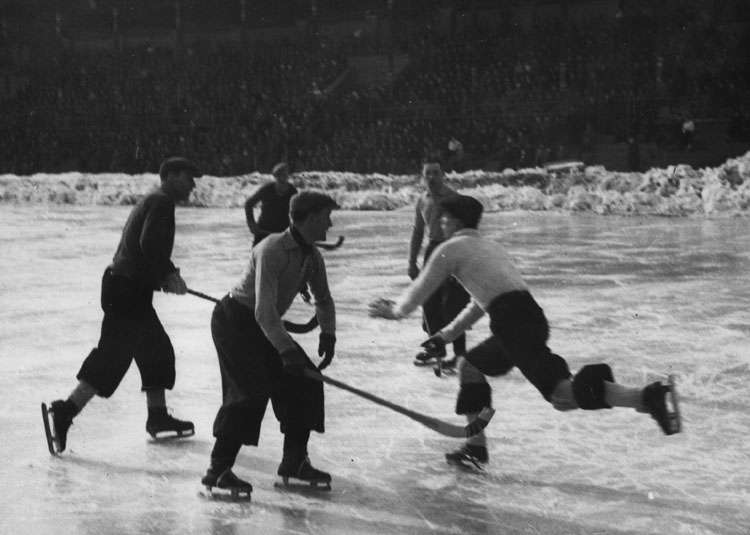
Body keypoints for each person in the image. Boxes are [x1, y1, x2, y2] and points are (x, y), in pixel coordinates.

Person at [369, 194, 681, 469]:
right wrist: (445, 336)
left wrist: (396, 311)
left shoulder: (451, 248)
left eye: (444, 218)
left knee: (561, 394)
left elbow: (424, 285)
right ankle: (476, 448)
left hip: (511, 323)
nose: (440, 223)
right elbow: (481, 303)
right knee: (471, 367)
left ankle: (645, 396)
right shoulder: (487, 247)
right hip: (526, 317)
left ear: (457, 221)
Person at [44, 156, 201, 453]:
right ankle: (66, 409)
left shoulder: (156, 200)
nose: (193, 185)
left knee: (157, 351)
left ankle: (157, 417)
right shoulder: (161, 202)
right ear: (170, 176)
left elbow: (139, 252)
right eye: (188, 177)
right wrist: (168, 273)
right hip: (127, 290)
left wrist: (161, 278)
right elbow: (148, 245)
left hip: (129, 288)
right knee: (113, 357)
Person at [201, 191, 339, 496]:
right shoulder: (272, 249)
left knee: (305, 379)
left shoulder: (312, 257)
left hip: (263, 323)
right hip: (235, 321)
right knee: (249, 389)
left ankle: (294, 460)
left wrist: (328, 334)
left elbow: (323, 299)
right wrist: (286, 350)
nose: (330, 223)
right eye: (326, 216)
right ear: (311, 218)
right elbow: (263, 311)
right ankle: (218, 469)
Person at [407, 156, 470, 370]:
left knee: (453, 304)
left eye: (436, 172)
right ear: (422, 177)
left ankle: (460, 354)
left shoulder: (454, 198)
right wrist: (412, 262)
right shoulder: (422, 200)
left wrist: (461, 262)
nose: (432, 177)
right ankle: (436, 348)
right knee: (428, 301)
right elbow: (418, 232)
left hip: (452, 249)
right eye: (428, 173)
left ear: (443, 175)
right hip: (432, 249)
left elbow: (464, 230)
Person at [244, 162, 298, 246]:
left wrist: (298, 228)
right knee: (256, 253)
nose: (282, 179)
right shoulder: (267, 189)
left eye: (285, 175)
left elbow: (298, 209)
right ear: (275, 177)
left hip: (282, 231)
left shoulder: (292, 191)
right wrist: (251, 223)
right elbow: (249, 203)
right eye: (279, 176)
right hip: (263, 229)